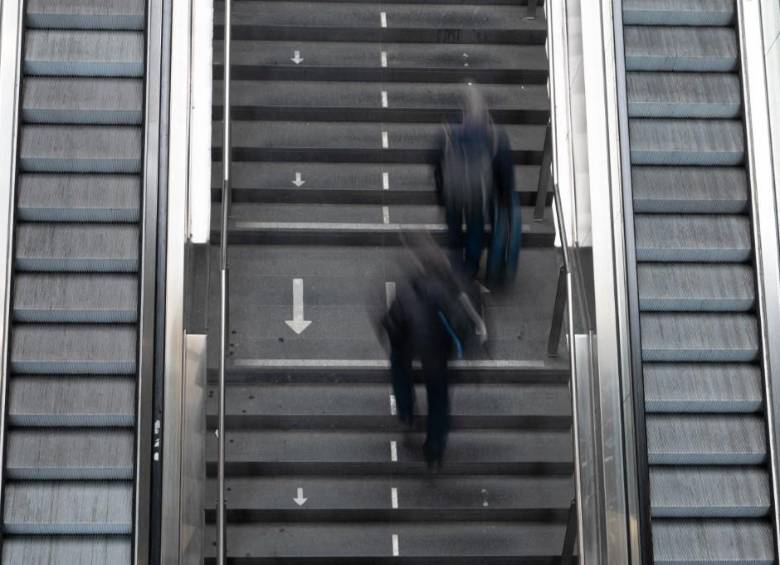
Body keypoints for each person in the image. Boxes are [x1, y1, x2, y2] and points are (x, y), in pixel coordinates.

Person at [381, 240, 485, 468]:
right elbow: (460, 324)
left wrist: (392, 338)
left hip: (409, 345)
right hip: (437, 354)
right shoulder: (449, 294)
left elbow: (392, 320)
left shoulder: (408, 289)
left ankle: (406, 412)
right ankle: (434, 450)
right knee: (438, 399)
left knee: (398, 365)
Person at [435, 87, 518, 283]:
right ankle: (471, 267)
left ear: (462, 109)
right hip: (477, 193)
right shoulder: (494, 135)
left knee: (454, 229)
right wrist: (505, 197)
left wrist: (440, 194)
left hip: (453, 191)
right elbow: (504, 168)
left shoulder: (448, 132)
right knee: (475, 229)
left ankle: (455, 266)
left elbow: (437, 165)